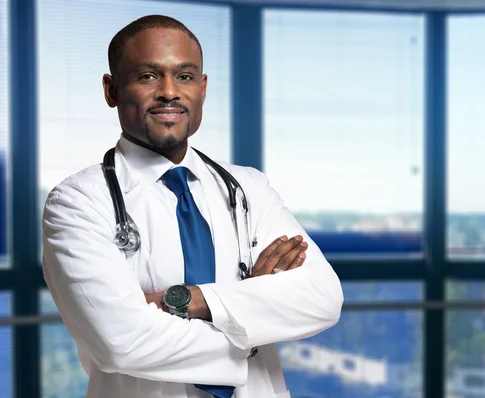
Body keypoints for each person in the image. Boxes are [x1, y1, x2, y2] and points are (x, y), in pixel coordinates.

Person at [41, 14, 343, 398]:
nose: (170, 92)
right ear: (112, 90)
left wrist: (184, 301)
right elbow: (120, 341)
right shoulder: (77, 202)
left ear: (202, 88)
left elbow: (322, 299)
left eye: (184, 77)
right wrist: (251, 326)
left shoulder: (249, 188)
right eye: (148, 76)